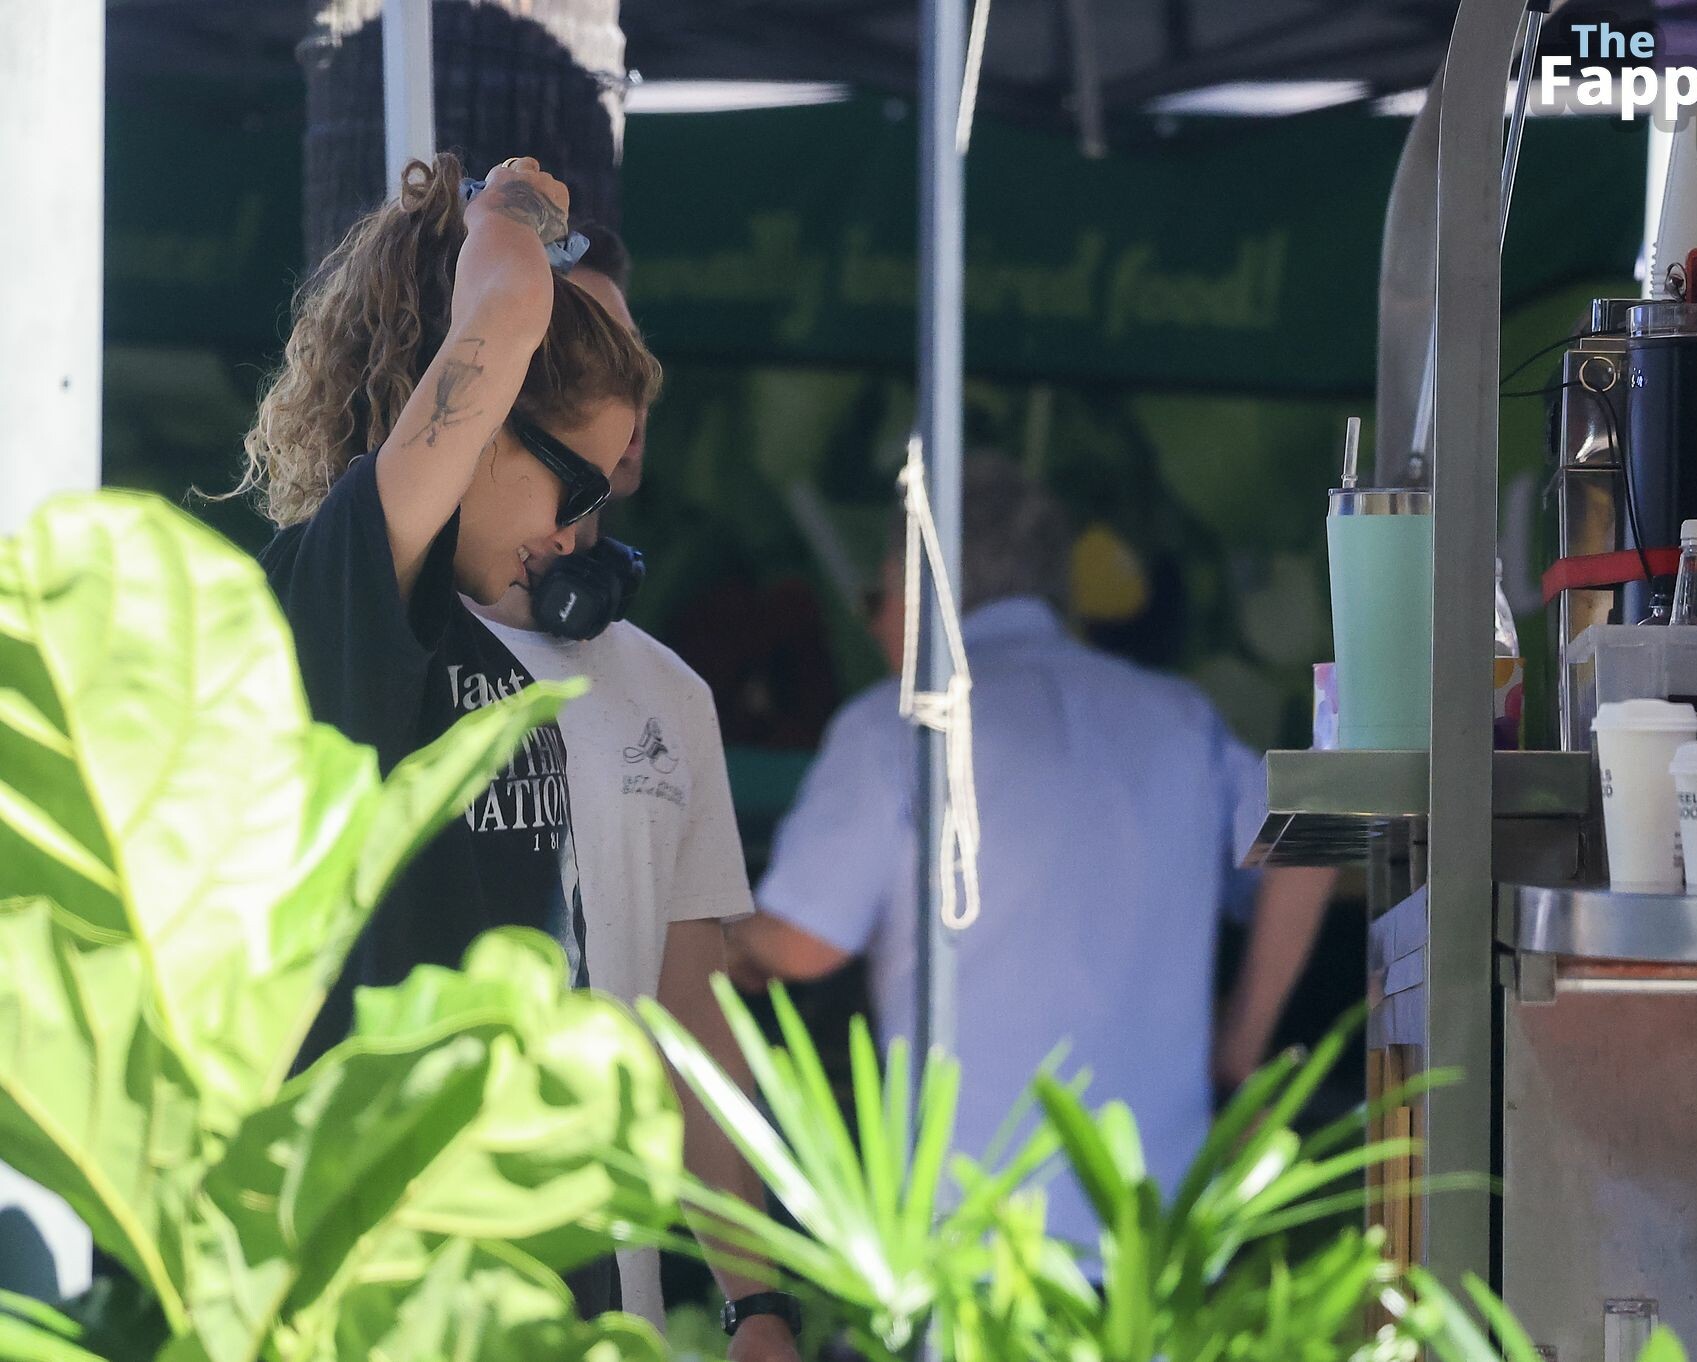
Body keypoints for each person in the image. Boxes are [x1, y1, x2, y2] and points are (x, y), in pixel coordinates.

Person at [729, 455, 1337, 1257]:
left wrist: (721, 942)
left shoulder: (896, 727)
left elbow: (803, 943)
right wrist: (1237, 1053)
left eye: (876, 599)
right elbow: (1312, 833)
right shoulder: (1178, 721)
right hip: (1151, 1231)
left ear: (919, 591)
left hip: (965, 1236)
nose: (873, 627)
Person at [240, 153, 650, 1318]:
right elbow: (508, 305)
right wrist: (511, 204)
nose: (577, 537)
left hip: (517, 1274)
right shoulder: (344, 598)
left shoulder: (499, 636)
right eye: (576, 489)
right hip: (388, 1285)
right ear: (481, 430)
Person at [466, 230, 802, 1361]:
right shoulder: (381, 644)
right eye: (567, 338)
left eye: (621, 346)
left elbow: (692, 1016)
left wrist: (756, 1301)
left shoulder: (673, 695)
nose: (612, 369)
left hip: (612, 1314)